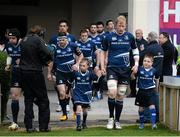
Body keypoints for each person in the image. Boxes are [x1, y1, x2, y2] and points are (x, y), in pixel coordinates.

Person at [101, 15, 139, 129]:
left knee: (120, 94)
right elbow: (103, 52)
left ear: (125, 25)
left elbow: (135, 50)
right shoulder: (108, 37)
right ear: (115, 25)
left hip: (125, 70)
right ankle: (110, 118)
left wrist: (136, 64)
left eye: (123, 26)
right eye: (119, 25)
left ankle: (117, 120)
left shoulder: (130, 37)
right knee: (112, 93)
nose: (121, 28)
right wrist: (102, 66)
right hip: (112, 68)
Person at [20, 25, 52, 133]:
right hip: (35, 72)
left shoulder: (24, 40)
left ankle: (29, 127)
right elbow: (48, 52)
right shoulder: (38, 39)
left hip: (24, 72)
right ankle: (44, 126)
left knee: (28, 99)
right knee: (43, 99)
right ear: (40, 33)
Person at [47, 32, 83, 121]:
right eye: (59, 40)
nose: (61, 42)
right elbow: (51, 62)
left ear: (67, 39)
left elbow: (81, 55)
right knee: (62, 93)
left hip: (72, 73)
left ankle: (75, 111)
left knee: (73, 94)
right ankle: (64, 114)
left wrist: (77, 64)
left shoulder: (73, 45)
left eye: (63, 40)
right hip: (60, 73)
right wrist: (49, 73)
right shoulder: (55, 48)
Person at [49, 19, 76, 113]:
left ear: (67, 27)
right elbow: (50, 53)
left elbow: (76, 52)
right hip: (56, 67)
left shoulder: (72, 37)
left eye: (64, 26)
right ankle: (61, 104)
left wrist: (76, 64)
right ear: (58, 27)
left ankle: (67, 105)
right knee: (58, 87)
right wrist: (50, 70)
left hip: (69, 68)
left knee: (68, 87)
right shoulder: (53, 38)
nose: (62, 27)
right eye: (61, 26)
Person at [140, 31, 164, 123]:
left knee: (146, 97)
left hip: (149, 76)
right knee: (155, 96)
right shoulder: (160, 48)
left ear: (150, 38)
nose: (147, 39)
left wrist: (142, 50)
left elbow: (141, 57)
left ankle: (147, 118)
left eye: (147, 38)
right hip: (157, 76)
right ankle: (156, 117)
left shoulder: (149, 48)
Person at [73, 58, 101, 131]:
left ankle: (84, 122)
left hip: (86, 93)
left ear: (88, 66)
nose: (81, 67)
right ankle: (78, 125)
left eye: (83, 65)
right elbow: (70, 81)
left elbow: (96, 79)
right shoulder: (76, 73)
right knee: (78, 108)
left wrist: (98, 74)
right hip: (77, 93)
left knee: (84, 110)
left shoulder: (90, 73)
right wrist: (67, 91)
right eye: (80, 65)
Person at [134, 54, 159, 129]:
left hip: (150, 91)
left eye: (148, 61)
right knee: (141, 109)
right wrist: (133, 73)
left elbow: (157, 79)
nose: (146, 63)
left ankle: (154, 124)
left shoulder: (154, 71)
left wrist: (156, 89)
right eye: (145, 61)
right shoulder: (139, 69)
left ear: (152, 63)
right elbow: (132, 77)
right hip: (141, 91)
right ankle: (141, 124)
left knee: (152, 107)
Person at [4, 28, 22, 130]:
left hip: (26, 74)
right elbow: (9, 56)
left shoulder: (24, 44)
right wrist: (8, 64)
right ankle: (14, 122)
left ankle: (30, 116)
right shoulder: (8, 45)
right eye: (9, 38)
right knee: (14, 96)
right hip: (15, 74)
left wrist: (23, 61)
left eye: (13, 38)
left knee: (31, 97)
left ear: (18, 38)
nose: (11, 40)